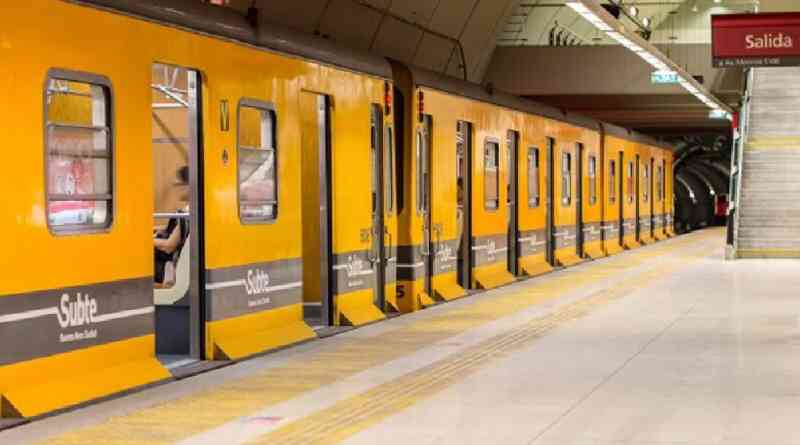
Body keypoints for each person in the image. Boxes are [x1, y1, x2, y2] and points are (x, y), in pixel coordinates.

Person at [154, 166, 190, 284]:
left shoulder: (188, 215)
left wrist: (144, 241)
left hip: (167, 264)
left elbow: (168, 246)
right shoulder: (186, 210)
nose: (176, 188)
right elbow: (171, 229)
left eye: (179, 184)